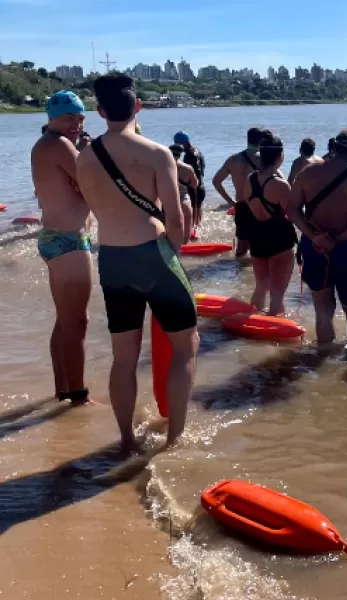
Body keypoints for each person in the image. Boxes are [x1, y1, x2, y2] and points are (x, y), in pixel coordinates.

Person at [76, 73, 198, 452]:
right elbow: (176, 221)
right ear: (138, 107)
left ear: (99, 111)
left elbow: (95, 207)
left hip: (112, 258)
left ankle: (127, 439)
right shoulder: (158, 153)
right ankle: (175, 438)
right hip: (153, 253)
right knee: (185, 346)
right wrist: (171, 255)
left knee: (123, 358)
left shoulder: (84, 157)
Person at [30, 90, 94, 404]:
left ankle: (63, 389)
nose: (77, 123)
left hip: (54, 238)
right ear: (52, 116)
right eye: (70, 117)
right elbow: (92, 189)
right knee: (78, 322)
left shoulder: (46, 144)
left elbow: (77, 185)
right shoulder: (58, 145)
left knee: (65, 320)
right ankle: (78, 399)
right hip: (69, 241)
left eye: (81, 117)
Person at [287, 130, 347, 345]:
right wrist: (337, 240)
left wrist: (314, 236)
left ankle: (324, 356)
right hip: (345, 248)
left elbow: (292, 211)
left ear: (334, 148)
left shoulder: (308, 173)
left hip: (314, 247)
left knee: (322, 309)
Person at [242, 133, 298, 314]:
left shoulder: (249, 179)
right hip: (280, 238)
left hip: (256, 236)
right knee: (278, 293)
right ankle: (275, 334)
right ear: (281, 157)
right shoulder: (281, 185)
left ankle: (253, 325)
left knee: (261, 285)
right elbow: (293, 215)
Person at [212, 127, 265, 257]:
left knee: (241, 246)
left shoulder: (233, 160)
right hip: (260, 206)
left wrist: (231, 202)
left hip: (241, 205)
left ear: (248, 139)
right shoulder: (264, 160)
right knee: (261, 245)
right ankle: (254, 275)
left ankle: (240, 273)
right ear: (261, 141)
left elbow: (216, 181)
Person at [173, 131, 206, 236]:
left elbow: (193, 172)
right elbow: (202, 170)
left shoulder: (189, 155)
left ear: (182, 142)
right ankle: (196, 232)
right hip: (201, 187)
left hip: (194, 188)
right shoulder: (198, 151)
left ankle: (193, 235)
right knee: (197, 211)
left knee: (192, 215)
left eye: (178, 144)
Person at [169, 143, 198, 243]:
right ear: (181, 154)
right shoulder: (188, 168)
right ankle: (185, 246)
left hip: (168, 199)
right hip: (183, 199)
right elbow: (195, 184)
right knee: (187, 228)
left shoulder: (162, 166)